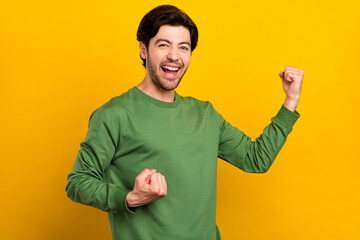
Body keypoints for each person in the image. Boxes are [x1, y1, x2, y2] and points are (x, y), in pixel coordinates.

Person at [66, 4, 304, 240]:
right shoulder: (114, 115)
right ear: (143, 49)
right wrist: (130, 197)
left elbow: (256, 159)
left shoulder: (206, 115)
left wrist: (291, 100)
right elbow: (77, 182)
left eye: (183, 47)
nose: (174, 56)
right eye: (163, 45)